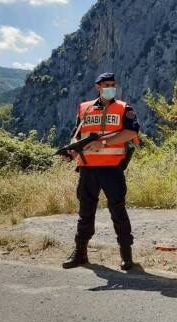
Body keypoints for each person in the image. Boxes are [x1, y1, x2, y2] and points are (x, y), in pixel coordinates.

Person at [62, 72, 139, 270]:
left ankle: (126, 256)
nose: (110, 87)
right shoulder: (84, 108)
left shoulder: (124, 108)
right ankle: (80, 254)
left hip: (112, 169)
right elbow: (77, 135)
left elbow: (131, 132)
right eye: (106, 84)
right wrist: (71, 153)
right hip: (88, 169)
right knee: (85, 212)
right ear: (98, 87)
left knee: (118, 210)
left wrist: (102, 142)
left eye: (113, 84)